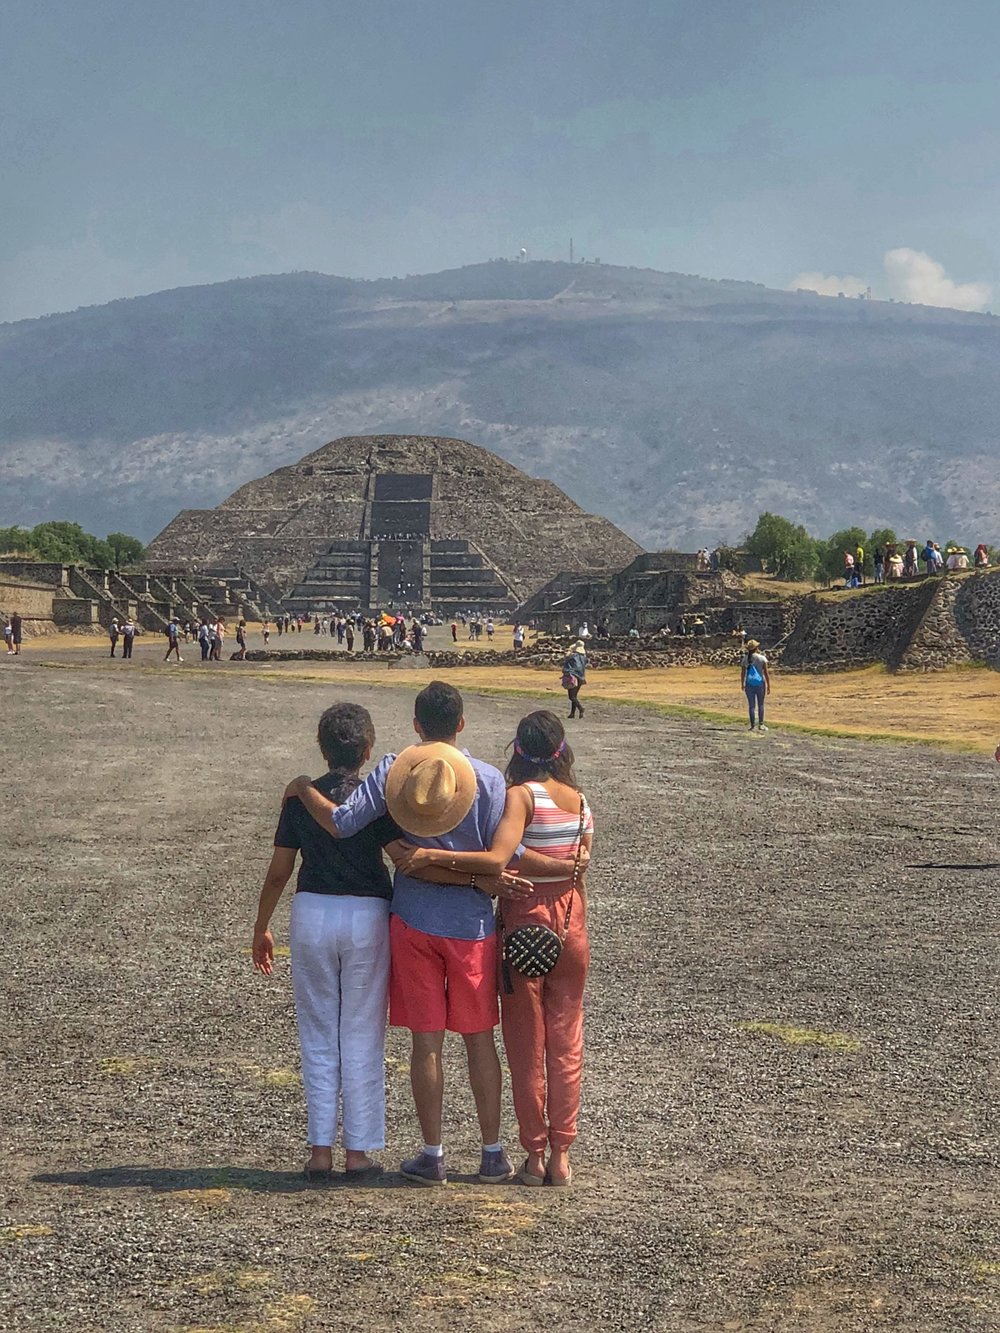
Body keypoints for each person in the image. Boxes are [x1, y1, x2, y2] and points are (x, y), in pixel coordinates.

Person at [283, 683, 522, 1185]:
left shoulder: (398, 771)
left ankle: (432, 1153)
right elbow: (509, 856)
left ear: (416, 724)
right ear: (461, 723)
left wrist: (302, 786)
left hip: (413, 920)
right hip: (473, 924)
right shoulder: (491, 780)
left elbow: (345, 823)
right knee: (481, 1040)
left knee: (426, 1042)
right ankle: (492, 1151)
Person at [397, 711, 593, 1188]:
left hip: (526, 917)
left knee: (526, 1044)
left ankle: (534, 1155)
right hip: (572, 920)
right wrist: (566, 875)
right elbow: (580, 866)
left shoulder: (521, 796)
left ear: (518, 751)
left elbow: (502, 856)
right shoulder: (583, 803)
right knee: (567, 1041)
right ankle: (562, 1152)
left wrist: (432, 855)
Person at [253, 703, 401, 1179]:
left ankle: (320, 1149)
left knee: (317, 1032)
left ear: (323, 746)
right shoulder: (378, 799)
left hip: (313, 909)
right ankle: (358, 1151)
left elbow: (280, 872)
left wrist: (262, 925)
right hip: (367, 913)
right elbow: (401, 855)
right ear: (368, 749)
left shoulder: (301, 799)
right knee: (362, 1031)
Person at [741, 638, 771, 733]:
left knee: (751, 705)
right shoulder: (762, 658)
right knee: (761, 704)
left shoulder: (745, 659)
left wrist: (742, 683)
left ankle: (752, 725)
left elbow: (742, 673)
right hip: (760, 683)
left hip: (749, 683)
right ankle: (761, 724)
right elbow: (766, 673)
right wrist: (769, 685)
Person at [562, 641, 587, 719]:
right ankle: (572, 713)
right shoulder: (584, 657)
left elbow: (566, 658)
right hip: (581, 677)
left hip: (573, 676)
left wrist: (569, 651)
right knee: (574, 696)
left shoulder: (572, 656)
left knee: (571, 696)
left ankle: (581, 708)